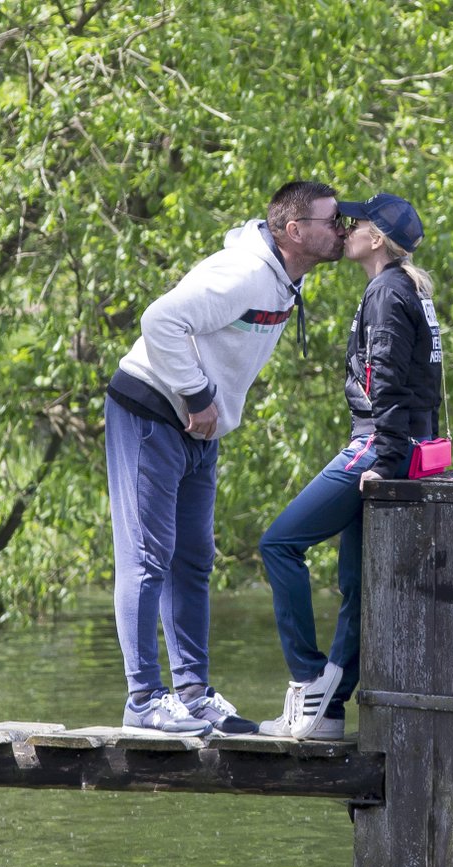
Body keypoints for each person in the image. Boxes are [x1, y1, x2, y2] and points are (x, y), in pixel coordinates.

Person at [105, 180, 348, 735]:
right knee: (146, 558)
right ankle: (143, 700)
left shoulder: (283, 278)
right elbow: (159, 320)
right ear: (294, 231)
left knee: (193, 560)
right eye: (332, 220)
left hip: (198, 429)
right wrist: (196, 393)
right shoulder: (243, 272)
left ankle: (191, 692)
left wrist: (203, 406)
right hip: (151, 410)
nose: (343, 229)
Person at [259, 193, 443, 740]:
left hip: (380, 445)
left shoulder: (387, 292)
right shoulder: (407, 288)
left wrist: (383, 462)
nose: (346, 228)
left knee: (279, 544)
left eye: (356, 222)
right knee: (355, 583)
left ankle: (307, 680)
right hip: (408, 443)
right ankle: (329, 712)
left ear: (377, 239)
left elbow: (384, 380)